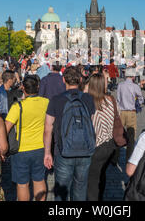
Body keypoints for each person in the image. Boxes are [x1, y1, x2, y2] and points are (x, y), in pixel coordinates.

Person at [43, 66, 96, 201]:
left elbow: (48, 128)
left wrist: (47, 152)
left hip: (63, 150)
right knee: (80, 189)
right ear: (79, 80)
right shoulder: (88, 98)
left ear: (63, 80)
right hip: (85, 150)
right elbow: (91, 124)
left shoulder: (56, 100)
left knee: (61, 190)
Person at [5, 75, 49, 201]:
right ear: (38, 87)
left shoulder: (18, 106)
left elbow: (6, 128)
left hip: (21, 150)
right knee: (39, 179)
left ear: (23, 88)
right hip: (40, 147)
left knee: (23, 183)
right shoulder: (46, 102)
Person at [86, 73, 117, 201]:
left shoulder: (90, 104)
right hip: (110, 144)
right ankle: (100, 197)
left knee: (92, 180)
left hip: (96, 145)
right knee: (102, 174)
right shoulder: (110, 101)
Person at [115, 67, 144, 164]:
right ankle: (129, 158)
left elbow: (118, 100)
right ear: (133, 76)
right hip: (131, 112)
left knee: (119, 134)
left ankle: (115, 158)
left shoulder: (120, 85)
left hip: (121, 112)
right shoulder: (135, 86)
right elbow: (140, 97)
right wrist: (139, 103)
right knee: (131, 136)